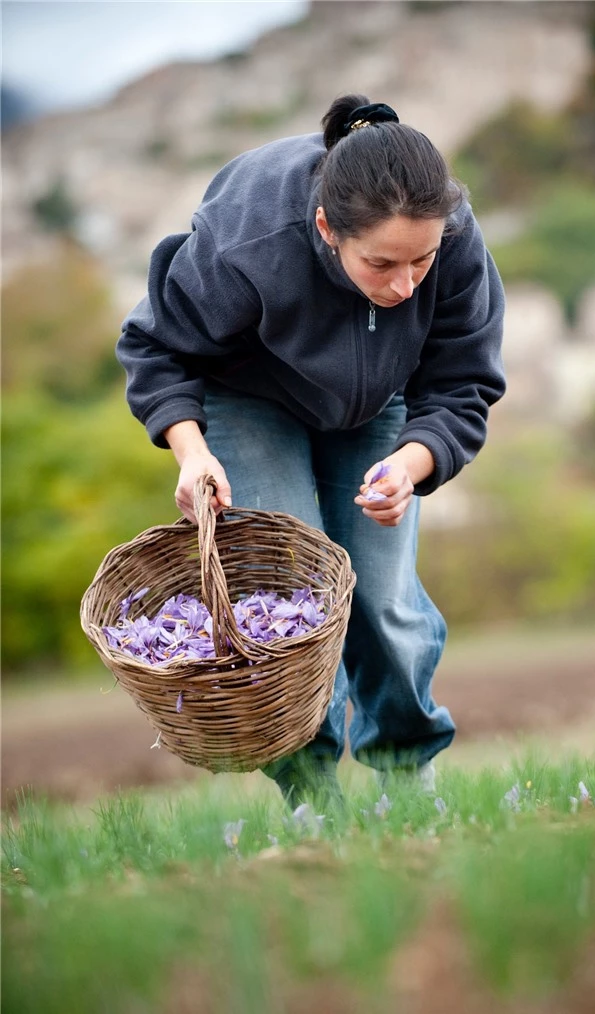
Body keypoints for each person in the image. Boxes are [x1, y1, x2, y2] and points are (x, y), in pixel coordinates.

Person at [117, 93, 506, 809]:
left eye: (421, 259)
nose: (404, 283)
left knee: (385, 600)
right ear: (327, 228)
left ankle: (407, 777)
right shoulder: (248, 239)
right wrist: (191, 452)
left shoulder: (450, 237)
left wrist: (411, 463)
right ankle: (310, 796)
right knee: (291, 599)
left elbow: (463, 381)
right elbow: (157, 347)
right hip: (248, 400)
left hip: (378, 403)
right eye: (381, 263)